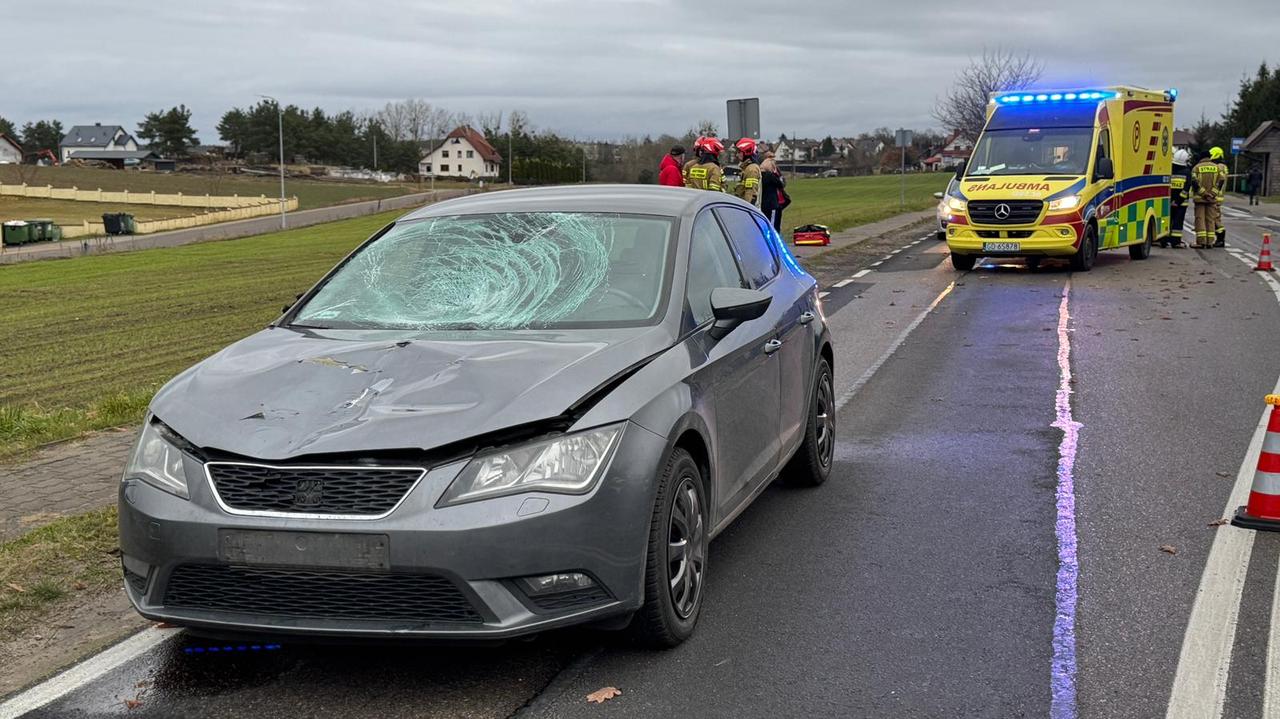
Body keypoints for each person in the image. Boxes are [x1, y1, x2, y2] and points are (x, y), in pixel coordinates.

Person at [1191, 149, 1226, 249]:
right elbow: (1222, 180)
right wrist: (1213, 194)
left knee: (1200, 219)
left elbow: (1194, 183)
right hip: (1212, 199)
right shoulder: (1217, 168)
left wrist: (1204, 194)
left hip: (1200, 199)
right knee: (1210, 220)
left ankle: (1201, 242)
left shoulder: (1196, 168)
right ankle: (1210, 242)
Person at [1161, 148, 1191, 248]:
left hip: (1168, 202)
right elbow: (1186, 189)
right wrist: (1177, 201)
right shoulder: (1187, 172)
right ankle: (1176, 242)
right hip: (1181, 204)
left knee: (1166, 221)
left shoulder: (1169, 170)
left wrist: (1170, 201)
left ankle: (1164, 240)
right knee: (1178, 223)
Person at [760, 153, 789, 232]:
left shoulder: (760, 175)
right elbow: (781, 184)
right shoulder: (770, 175)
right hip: (772, 203)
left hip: (763, 203)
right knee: (773, 225)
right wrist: (776, 174)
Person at [732, 138, 762, 206]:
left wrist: (747, 211)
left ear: (747, 152)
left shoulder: (751, 169)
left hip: (748, 212)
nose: (737, 155)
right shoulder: (747, 168)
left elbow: (750, 194)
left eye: (739, 152)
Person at [1213, 146, 1230, 247]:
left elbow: (1219, 180)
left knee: (1215, 219)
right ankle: (1219, 238)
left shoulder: (1218, 167)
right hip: (1219, 196)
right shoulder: (1223, 166)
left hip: (1216, 196)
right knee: (1215, 217)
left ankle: (1220, 238)